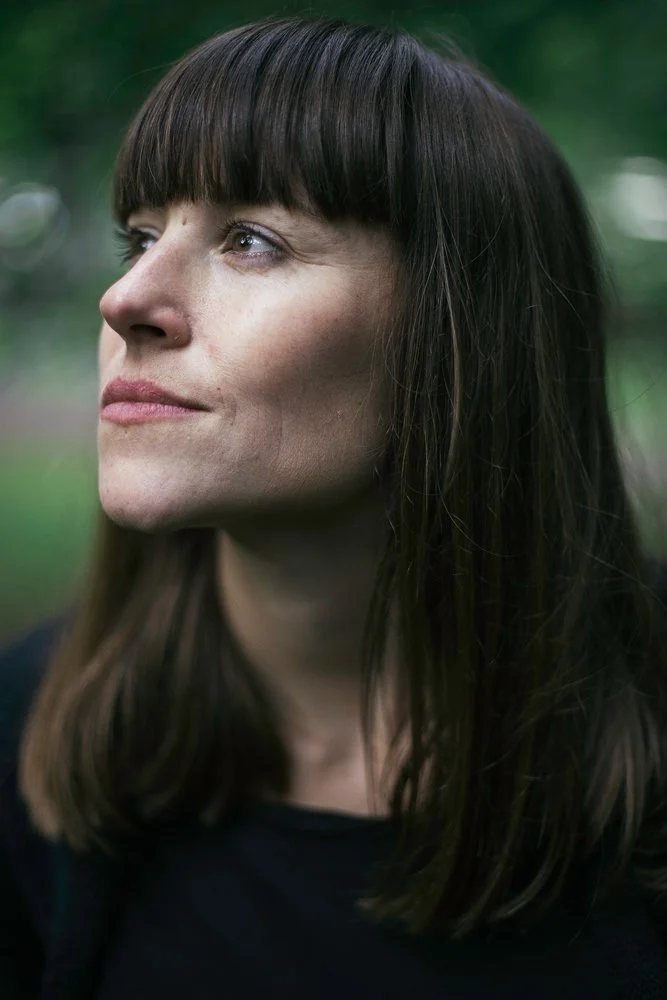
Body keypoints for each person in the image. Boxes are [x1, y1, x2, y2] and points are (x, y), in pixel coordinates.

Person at [2, 15, 667, 999]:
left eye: (251, 241)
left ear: (460, 328)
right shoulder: (24, 730)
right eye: (140, 236)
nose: (125, 298)